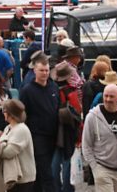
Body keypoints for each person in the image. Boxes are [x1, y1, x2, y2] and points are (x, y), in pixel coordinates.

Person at [19, 56, 59, 192]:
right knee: (47, 173)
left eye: (47, 70)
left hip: (53, 135)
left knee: (41, 173)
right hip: (37, 137)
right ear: (35, 71)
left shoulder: (54, 87)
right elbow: (22, 115)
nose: (45, 73)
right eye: (42, 70)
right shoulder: (27, 90)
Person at [0, 99, 36, 192]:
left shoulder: (21, 129)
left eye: (4, 111)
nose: (3, 113)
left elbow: (9, 152)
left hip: (23, 178)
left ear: (10, 114)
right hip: (13, 177)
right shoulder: (8, 128)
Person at [50, 61, 82, 192]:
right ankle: (67, 189)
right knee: (67, 162)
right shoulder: (71, 91)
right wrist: (79, 137)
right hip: (68, 131)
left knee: (54, 164)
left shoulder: (51, 89)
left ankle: (56, 188)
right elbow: (78, 113)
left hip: (53, 131)